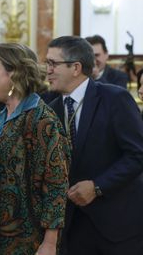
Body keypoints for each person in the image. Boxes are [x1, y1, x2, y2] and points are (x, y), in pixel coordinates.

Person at [0, 43, 70, 255]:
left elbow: (56, 185)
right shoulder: (0, 118)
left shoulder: (42, 120)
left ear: (15, 73)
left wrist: (49, 243)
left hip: (26, 244)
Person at [47, 36, 143, 255]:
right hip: (73, 229)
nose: (48, 70)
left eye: (54, 63)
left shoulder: (114, 98)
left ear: (76, 67)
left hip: (117, 228)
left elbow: (137, 155)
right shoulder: (50, 109)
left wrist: (98, 186)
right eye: (47, 63)